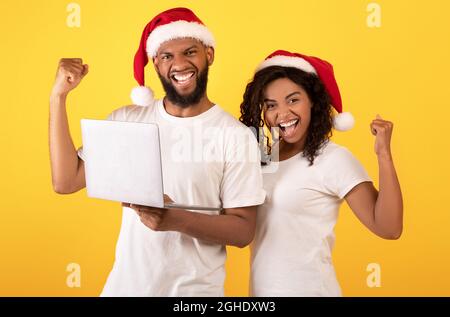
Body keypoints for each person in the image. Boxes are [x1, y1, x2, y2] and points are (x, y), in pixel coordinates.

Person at [49, 7, 265, 296]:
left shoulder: (237, 137)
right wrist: (58, 97)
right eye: (167, 56)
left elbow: (243, 231)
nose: (179, 64)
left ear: (209, 54)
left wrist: (176, 219)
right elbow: (66, 181)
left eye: (190, 52)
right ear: (155, 63)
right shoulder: (127, 121)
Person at [239, 50, 403, 296]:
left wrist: (384, 155)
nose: (282, 114)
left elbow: (389, 228)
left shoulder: (333, 158)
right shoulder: (262, 160)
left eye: (293, 100)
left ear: (313, 101)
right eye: (271, 105)